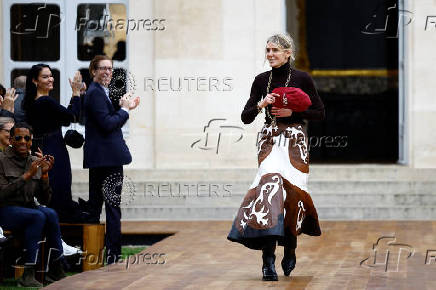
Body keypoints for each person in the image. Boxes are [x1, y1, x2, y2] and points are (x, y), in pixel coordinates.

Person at [227, 34, 325, 281]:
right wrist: (262, 104)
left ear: (288, 52)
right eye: (267, 50)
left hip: (295, 142)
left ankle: (290, 248)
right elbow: (245, 117)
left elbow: (319, 112)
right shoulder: (261, 80)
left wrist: (295, 110)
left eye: (275, 50)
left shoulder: (302, 78)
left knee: (292, 196)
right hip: (269, 141)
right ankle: (267, 261)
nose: (270, 54)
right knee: (269, 192)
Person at [83, 55, 139, 264]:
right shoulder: (95, 92)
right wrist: (124, 110)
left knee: (98, 207)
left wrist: (125, 106)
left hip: (103, 159)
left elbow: (106, 118)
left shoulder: (99, 91)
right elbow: (107, 124)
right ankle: (112, 256)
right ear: (93, 71)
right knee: (111, 208)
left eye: (110, 69)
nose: (107, 72)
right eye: (102, 68)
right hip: (106, 159)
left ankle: (94, 256)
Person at [0, 122, 65, 287]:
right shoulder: (2, 160)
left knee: (50, 213)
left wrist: (44, 176)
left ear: (31, 141)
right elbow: (2, 194)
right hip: (6, 210)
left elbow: (45, 200)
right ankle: (28, 274)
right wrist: (27, 176)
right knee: (37, 216)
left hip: (28, 209)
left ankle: (55, 268)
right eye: (18, 138)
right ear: (11, 140)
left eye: (27, 138)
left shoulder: (35, 160)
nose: (23, 141)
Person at [22, 64, 88, 223]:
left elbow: (65, 119)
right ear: (35, 81)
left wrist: (76, 95)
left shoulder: (34, 101)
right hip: (53, 149)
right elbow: (72, 117)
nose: (51, 79)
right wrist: (75, 92)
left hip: (43, 148)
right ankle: (60, 233)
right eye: (45, 76)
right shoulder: (45, 101)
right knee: (59, 187)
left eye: (51, 75)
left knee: (52, 189)